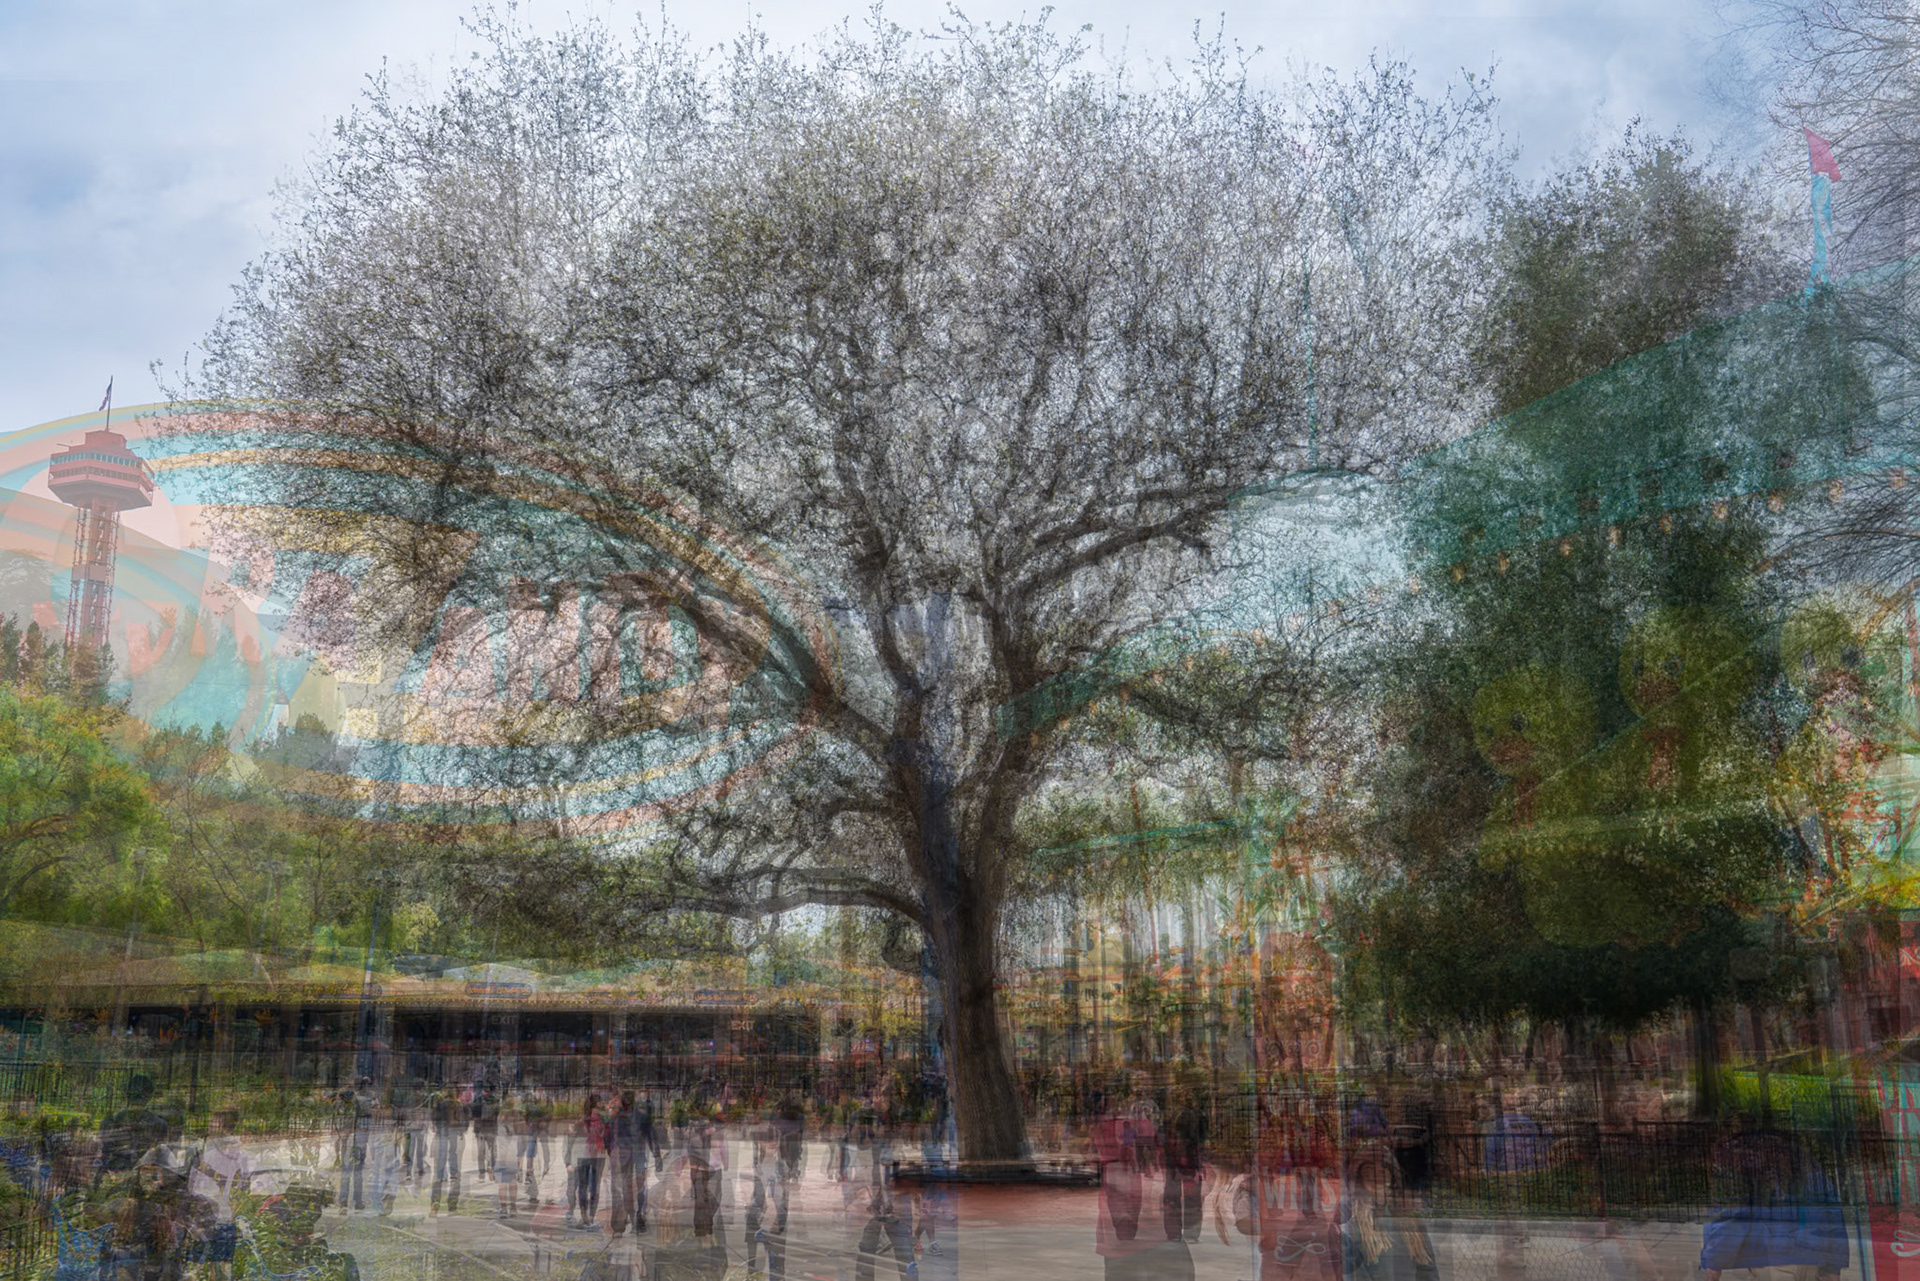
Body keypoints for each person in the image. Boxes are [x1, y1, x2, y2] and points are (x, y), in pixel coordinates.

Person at [428, 1083, 464, 1216]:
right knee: (455, 1174)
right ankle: (452, 1206)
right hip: (454, 1138)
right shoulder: (458, 1105)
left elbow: (434, 1120)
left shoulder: (439, 1104)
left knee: (438, 1172)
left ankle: (435, 1203)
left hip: (441, 1136)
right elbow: (463, 1123)